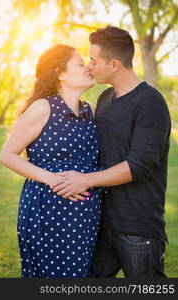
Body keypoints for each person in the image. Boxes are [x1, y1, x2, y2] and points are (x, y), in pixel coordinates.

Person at [52, 26, 171, 278]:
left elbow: (138, 165)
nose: (89, 66)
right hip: (101, 222)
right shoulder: (106, 98)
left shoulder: (150, 102)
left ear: (114, 64)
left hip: (137, 227)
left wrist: (84, 180)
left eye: (94, 60)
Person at [0, 44, 102, 278]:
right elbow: (7, 155)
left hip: (86, 215)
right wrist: (54, 180)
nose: (88, 67)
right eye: (79, 63)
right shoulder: (43, 108)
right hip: (47, 210)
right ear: (60, 73)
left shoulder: (92, 111)